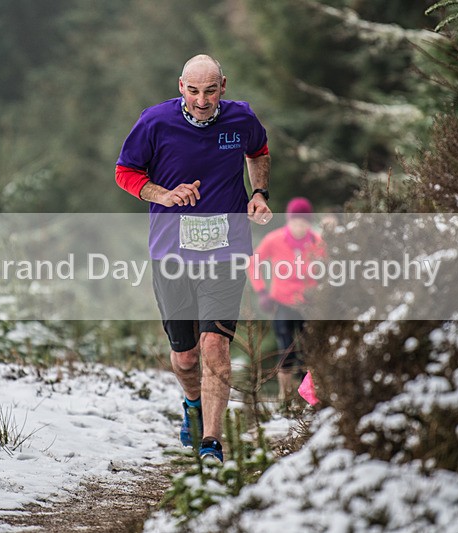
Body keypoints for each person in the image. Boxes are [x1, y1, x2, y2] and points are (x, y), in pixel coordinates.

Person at [115, 54, 272, 462]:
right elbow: (126, 172)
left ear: (224, 85)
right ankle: (193, 406)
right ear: (180, 86)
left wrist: (258, 194)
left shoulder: (240, 120)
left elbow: (259, 151)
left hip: (227, 250)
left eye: (210, 90)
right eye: (193, 90)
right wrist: (163, 195)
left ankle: (212, 443)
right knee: (185, 357)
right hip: (172, 253)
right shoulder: (154, 121)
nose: (202, 100)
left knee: (215, 345)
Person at [249, 197, 323, 405]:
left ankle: (309, 397)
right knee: (286, 349)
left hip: (309, 305)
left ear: (309, 223)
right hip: (282, 303)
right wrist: (262, 292)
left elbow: (328, 270)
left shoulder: (318, 242)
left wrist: (320, 293)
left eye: (303, 223)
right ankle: (285, 398)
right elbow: (254, 264)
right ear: (288, 222)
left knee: (310, 351)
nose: (299, 227)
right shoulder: (274, 240)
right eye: (295, 222)